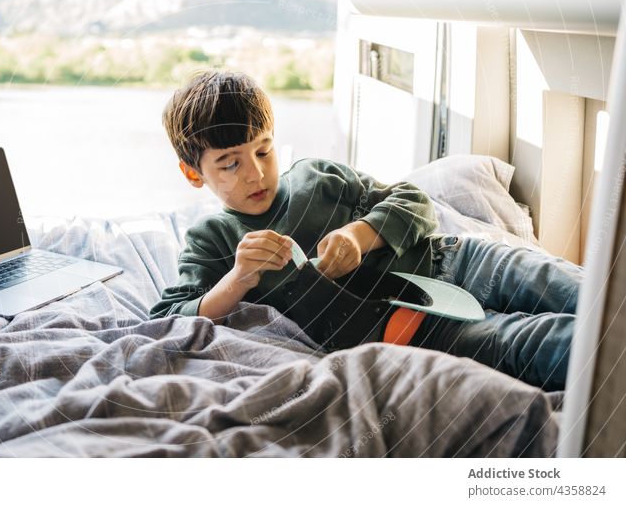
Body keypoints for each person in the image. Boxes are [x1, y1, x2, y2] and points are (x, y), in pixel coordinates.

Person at [149, 69, 582, 391]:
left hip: (458, 260)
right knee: (539, 344)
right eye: (230, 164)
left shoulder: (317, 177)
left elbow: (413, 202)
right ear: (193, 174)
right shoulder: (214, 239)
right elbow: (167, 319)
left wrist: (361, 234)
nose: (256, 173)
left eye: (264, 150)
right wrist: (237, 280)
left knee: (575, 288)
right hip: (411, 326)